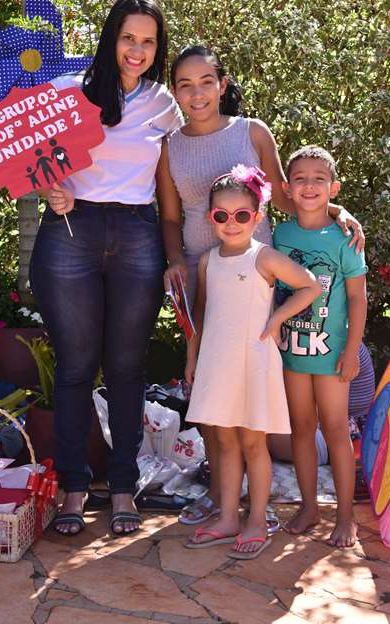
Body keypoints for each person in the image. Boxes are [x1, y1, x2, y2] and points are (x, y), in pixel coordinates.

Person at [156, 44, 365, 526]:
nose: (197, 93)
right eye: (184, 85)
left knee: (255, 388)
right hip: (204, 275)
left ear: (222, 84)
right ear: (175, 92)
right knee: (209, 389)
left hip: (259, 276)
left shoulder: (251, 131)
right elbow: (168, 217)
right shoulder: (170, 146)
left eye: (206, 82)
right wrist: (176, 261)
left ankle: (257, 500)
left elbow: (289, 198)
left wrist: (336, 210)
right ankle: (219, 494)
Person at [29, 0, 182, 536]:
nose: (137, 50)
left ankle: (121, 488)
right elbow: (26, 163)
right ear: (111, 38)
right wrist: (49, 189)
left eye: (148, 42)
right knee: (74, 367)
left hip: (138, 233)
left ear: (158, 48)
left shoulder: (164, 104)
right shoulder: (65, 91)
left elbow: (185, 173)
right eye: (128, 38)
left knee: (126, 368)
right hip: (71, 233)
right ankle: (74, 488)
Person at [183, 168, 321, 559]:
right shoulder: (208, 261)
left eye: (242, 215)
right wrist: (192, 356)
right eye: (221, 215)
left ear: (257, 217)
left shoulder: (264, 257)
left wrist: (277, 319)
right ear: (211, 217)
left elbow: (310, 285)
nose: (232, 223)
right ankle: (228, 517)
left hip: (253, 361)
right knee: (225, 442)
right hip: (217, 362)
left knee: (253, 443)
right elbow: (202, 312)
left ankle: (257, 520)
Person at [273, 145, 368, 548]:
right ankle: (309, 507)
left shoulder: (345, 238)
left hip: (331, 355)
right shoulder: (280, 234)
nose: (309, 186)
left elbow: (358, 298)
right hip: (292, 352)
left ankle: (346, 517)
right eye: (300, 179)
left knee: (335, 429)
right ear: (287, 188)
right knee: (301, 429)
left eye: (319, 179)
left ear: (334, 188)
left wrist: (351, 351)